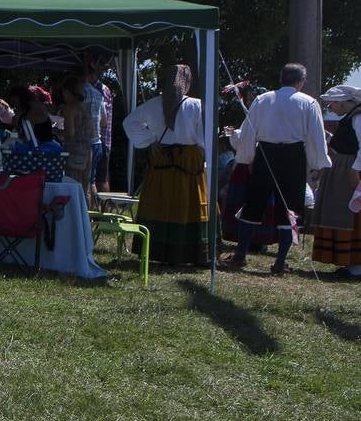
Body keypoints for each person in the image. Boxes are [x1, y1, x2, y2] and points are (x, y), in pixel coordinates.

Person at [221, 63, 331, 275]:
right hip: (293, 158)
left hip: (266, 155)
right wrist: (319, 164)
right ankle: (279, 262)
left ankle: (241, 255)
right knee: (290, 208)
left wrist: (245, 158)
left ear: (282, 79)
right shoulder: (308, 103)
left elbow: (249, 132)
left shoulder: (263, 100)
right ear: (301, 81)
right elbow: (317, 136)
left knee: (253, 203)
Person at [121, 64, 207, 266]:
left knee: (161, 203)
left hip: (162, 160)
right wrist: (202, 152)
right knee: (187, 204)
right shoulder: (196, 105)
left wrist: (150, 139)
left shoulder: (153, 104)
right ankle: (188, 253)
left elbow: (129, 123)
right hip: (188, 160)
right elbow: (204, 135)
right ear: (187, 83)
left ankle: (158, 249)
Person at [312, 85, 361, 279]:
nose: (330, 107)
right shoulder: (351, 117)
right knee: (343, 211)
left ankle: (357, 265)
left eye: (332, 103)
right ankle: (350, 263)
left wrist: (355, 170)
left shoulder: (358, 117)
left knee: (351, 213)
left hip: (351, 168)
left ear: (344, 101)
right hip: (344, 166)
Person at [59, 75, 98, 206]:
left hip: (74, 153)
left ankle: (74, 222)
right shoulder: (85, 107)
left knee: (72, 188)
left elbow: (69, 132)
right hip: (87, 153)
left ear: (68, 91)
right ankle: (85, 221)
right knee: (84, 189)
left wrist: (56, 131)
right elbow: (93, 132)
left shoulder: (70, 108)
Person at [87, 66, 115, 192]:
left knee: (99, 178)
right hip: (102, 139)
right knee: (99, 177)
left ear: (91, 76)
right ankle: (101, 206)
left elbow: (101, 119)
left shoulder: (100, 90)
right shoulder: (102, 89)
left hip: (101, 139)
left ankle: (103, 206)